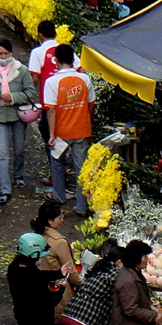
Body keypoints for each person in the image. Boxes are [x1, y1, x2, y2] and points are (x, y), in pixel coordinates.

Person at [43, 43, 96, 215]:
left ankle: (59, 196)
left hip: (61, 133)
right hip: (81, 130)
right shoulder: (85, 79)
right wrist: (87, 121)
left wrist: (51, 134)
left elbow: (51, 109)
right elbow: (91, 104)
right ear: (73, 59)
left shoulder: (52, 82)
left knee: (57, 162)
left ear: (56, 61)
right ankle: (81, 206)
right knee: (81, 169)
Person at [33, 198, 82, 325]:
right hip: (58, 289)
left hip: (41, 287)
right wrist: (82, 284)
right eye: (59, 217)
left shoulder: (37, 236)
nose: (62, 219)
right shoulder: (59, 242)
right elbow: (71, 271)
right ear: (50, 221)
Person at [28, 19, 80, 177]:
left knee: (49, 137)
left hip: (48, 103)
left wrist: (28, 95)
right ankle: (65, 168)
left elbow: (34, 78)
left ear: (40, 35)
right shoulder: (65, 50)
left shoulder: (37, 52)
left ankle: (57, 173)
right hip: (69, 101)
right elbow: (81, 69)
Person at [0, 37, 38, 206]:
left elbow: (31, 93)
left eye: (6, 53)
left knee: (19, 148)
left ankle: (18, 175)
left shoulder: (21, 70)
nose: (3, 57)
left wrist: (13, 97)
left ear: (11, 53)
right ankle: (5, 189)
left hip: (17, 116)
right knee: (2, 153)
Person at [62, 241, 122, 325]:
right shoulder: (115, 274)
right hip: (83, 320)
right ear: (120, 263)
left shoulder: (102, 268)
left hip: (70, 314)